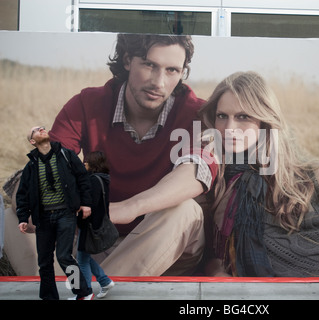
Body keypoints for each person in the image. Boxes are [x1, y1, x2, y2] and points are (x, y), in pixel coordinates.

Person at [48, 33, 217, 276]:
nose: (159, 82)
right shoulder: (87, 104)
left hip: (163, 246)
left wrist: (130, 207)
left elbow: (196, 172)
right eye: (150, 65)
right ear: (127, 60)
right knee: (17, 215)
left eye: (172, 70)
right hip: (93, 240)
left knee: (186, 211)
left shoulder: (199, 114)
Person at [197, 71, 319, 277]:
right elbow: (210, 252)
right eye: (222, 116)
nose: (229, 128)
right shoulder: (212, 176)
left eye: (243, 117)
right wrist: (217, 273)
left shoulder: (307, 172)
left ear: (265, 120)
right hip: (264, 294)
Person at [16, 126, 94, 300]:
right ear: (32, 141)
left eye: (42, 127)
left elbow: (83, 179)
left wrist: (86, 203)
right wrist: (22, 218)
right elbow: (23, 194)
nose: (41, 129)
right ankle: (49, 297)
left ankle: (83, 293)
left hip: (65, 214)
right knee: (44, 261)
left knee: (64, 256)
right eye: (36, 130)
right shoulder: (31, 166)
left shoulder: (66, 155)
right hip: (43, 218)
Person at [77, 151, 115, 299]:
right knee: (84, 258)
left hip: (89, 226)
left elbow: (89, 204)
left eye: (86, 162)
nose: (83, 164)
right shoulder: (103, 179)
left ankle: (86, 293)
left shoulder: (93, 180)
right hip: (94, 225)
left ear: (93, 164)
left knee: (82, 260)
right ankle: (104, 281)